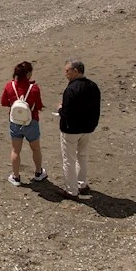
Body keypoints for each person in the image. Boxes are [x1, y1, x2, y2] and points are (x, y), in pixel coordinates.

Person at [56, 59, 101, 199]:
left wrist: (60, 109)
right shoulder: (93, 86)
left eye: (67, 71)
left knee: (69, 159)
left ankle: (71, 190)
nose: (66, 74)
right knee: (82, 156)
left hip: (71, 130)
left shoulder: (71, 90)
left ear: (76, 71)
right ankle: (82, 184)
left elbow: (66, 113)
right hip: (87, 128)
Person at [0, 60, 45, 186]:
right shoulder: (34, 88)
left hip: (15, 122)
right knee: (35, 148)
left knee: (15, 150)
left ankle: (16, 176)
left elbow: (3, 102)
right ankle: (38, 172)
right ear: (28, 74)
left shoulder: (10, 86)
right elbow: (39, 105)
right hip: (31, 121)